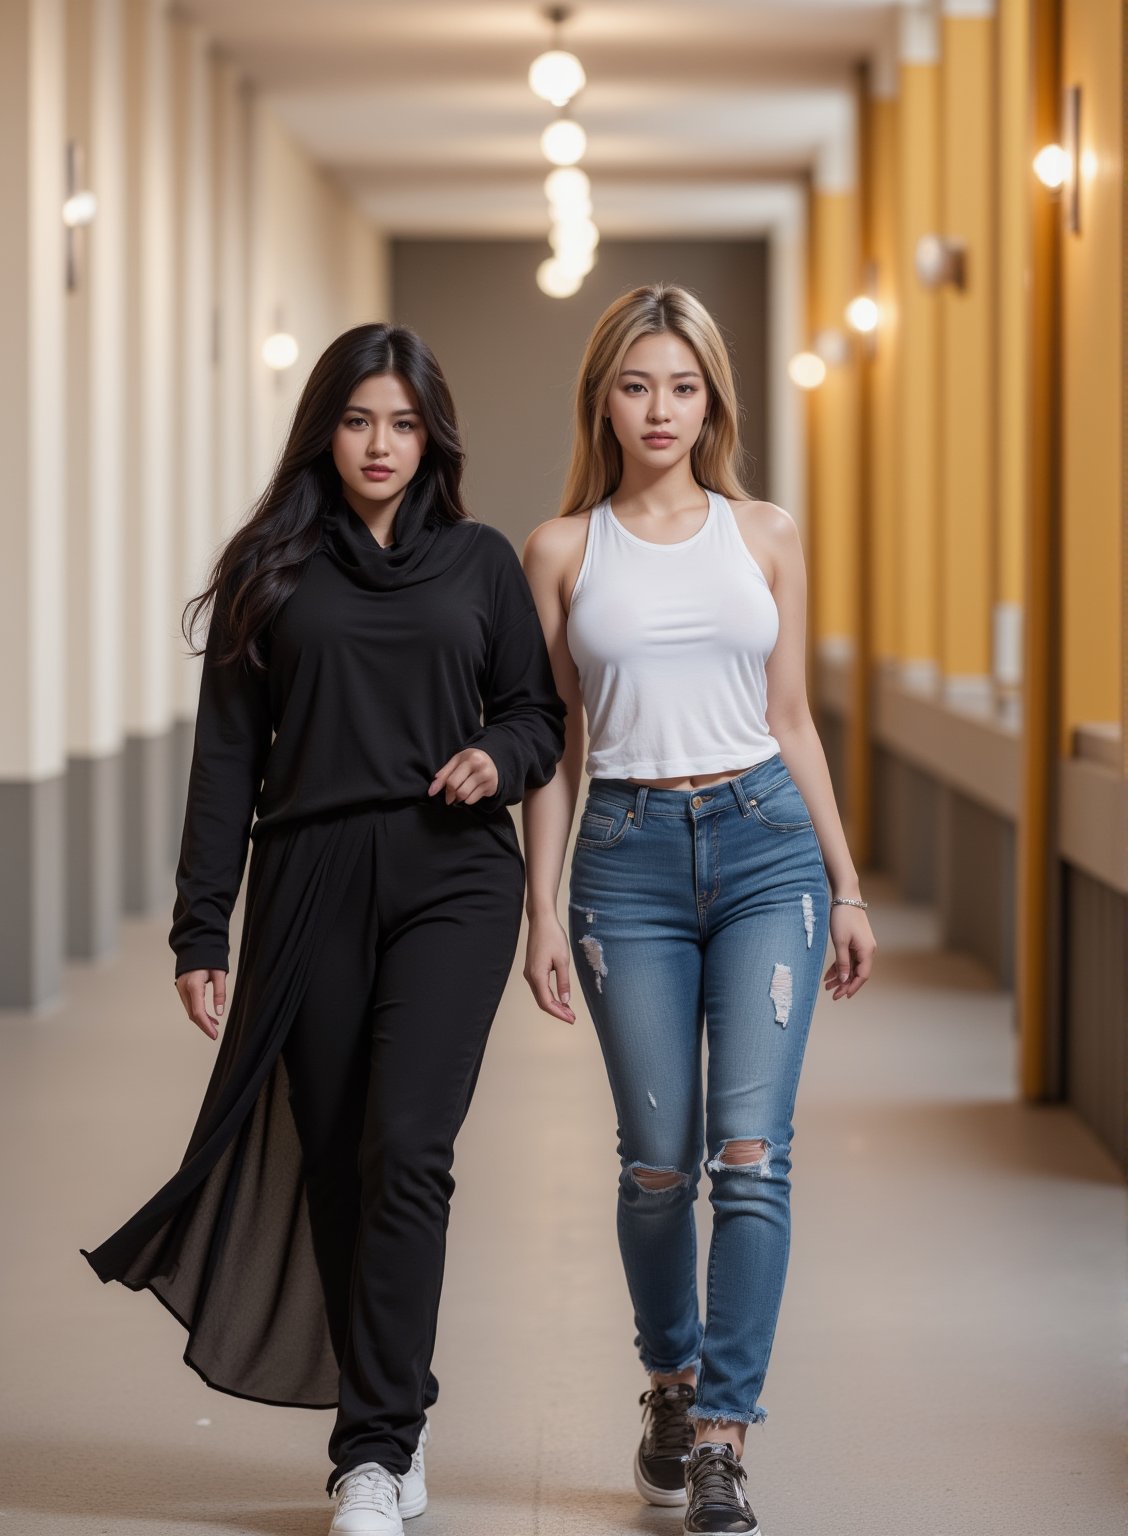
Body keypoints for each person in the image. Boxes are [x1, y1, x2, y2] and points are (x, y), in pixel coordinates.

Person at [82, 322, 566, 1536]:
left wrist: (494, 758)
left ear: (431, 435)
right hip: (307, 880)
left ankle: (374, 1451)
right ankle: (394, 1396)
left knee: (408, 1147)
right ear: (325, 429)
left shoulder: (480, 564)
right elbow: (225, 763)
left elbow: (537, 716)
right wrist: (203, 929)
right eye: (359, 420)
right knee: (342, 1154)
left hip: (455, 879)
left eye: (403, 423)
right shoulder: (273, 566)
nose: (381, 444)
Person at [519, 284, 875, 1536]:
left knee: (751, 1156)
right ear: (602, 400)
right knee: (659, 1164)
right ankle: (668, 1382)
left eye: (681, 384)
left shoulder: (765, 533)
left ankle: (725, 1432)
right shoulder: (562, 550)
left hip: (767, 844)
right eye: (635, 385)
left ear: (713, 396)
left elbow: (792, 719)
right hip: (625, 861)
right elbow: (556, 746)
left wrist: (844, 882)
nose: (659, 409)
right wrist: (543, 912)